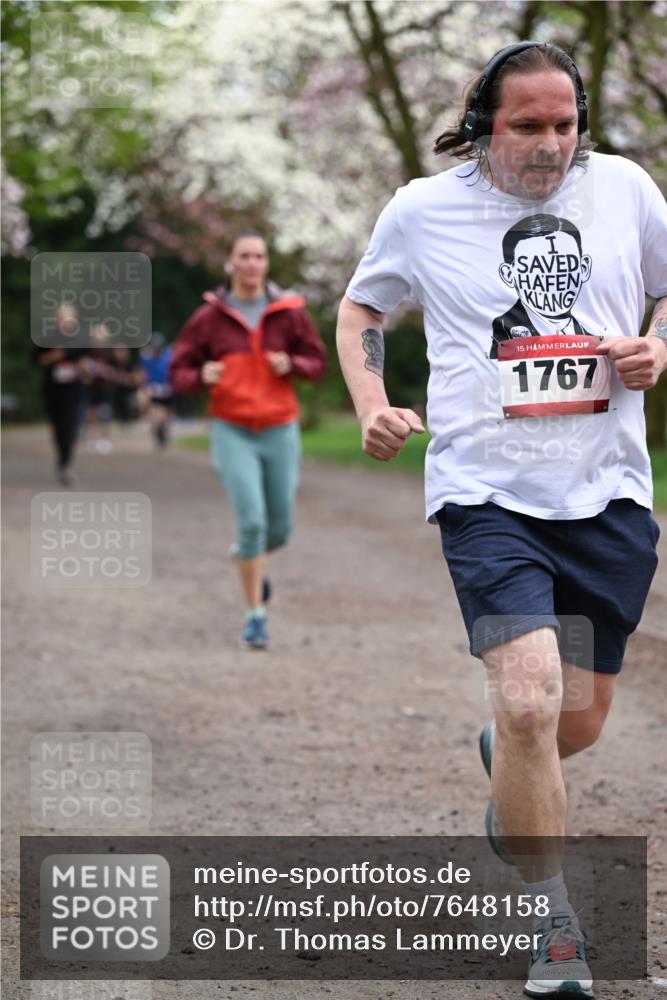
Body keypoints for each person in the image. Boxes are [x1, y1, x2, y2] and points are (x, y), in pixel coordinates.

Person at [336, 41, 667, 999]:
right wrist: (369, 402)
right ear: (485, 123)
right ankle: (552, 925)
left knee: (576, 718)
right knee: (526, 702)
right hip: (486, 497)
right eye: (527, 126)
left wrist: (653, 347)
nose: (548, 146)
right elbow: (362, 304)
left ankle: (510, 771)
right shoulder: (424, 208)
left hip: (606, 492)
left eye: (564, 125)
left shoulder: (627, 190)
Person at [170, 231, 327, 649]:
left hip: (279, 426)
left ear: (266, 263)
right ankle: (255, 614)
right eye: (244, 256)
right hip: (230, 427)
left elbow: (317, 363)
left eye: (259, 256)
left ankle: (248, 559)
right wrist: (199, 375)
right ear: (231, 263)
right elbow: (178, 369)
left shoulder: (289, 312)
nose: (252, 263)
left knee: (280, 528)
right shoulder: (209, 316)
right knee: (253, 521)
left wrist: (291, 363)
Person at [34, 303, 89, 486]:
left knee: (71, 427)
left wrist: (85, 369)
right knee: (58, 429)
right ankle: (62, 458)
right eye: (62, 317)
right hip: (53, 391)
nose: (66, 320)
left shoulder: (81, 339)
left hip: (74, 392)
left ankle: (66, 464)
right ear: (57, 320)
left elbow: (88, 363)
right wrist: (51, 358)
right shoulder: (47, 338)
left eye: (69, 317)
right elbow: (36, 360)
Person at [139, 333, 175, 447]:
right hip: (153, 389)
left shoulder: (169, 356)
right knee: (156, 415)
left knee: (165, 416)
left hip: (166, 389)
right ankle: (157, 431)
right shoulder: (147, 357)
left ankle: (163, 430)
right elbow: (144, 373)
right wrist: (144, 387)